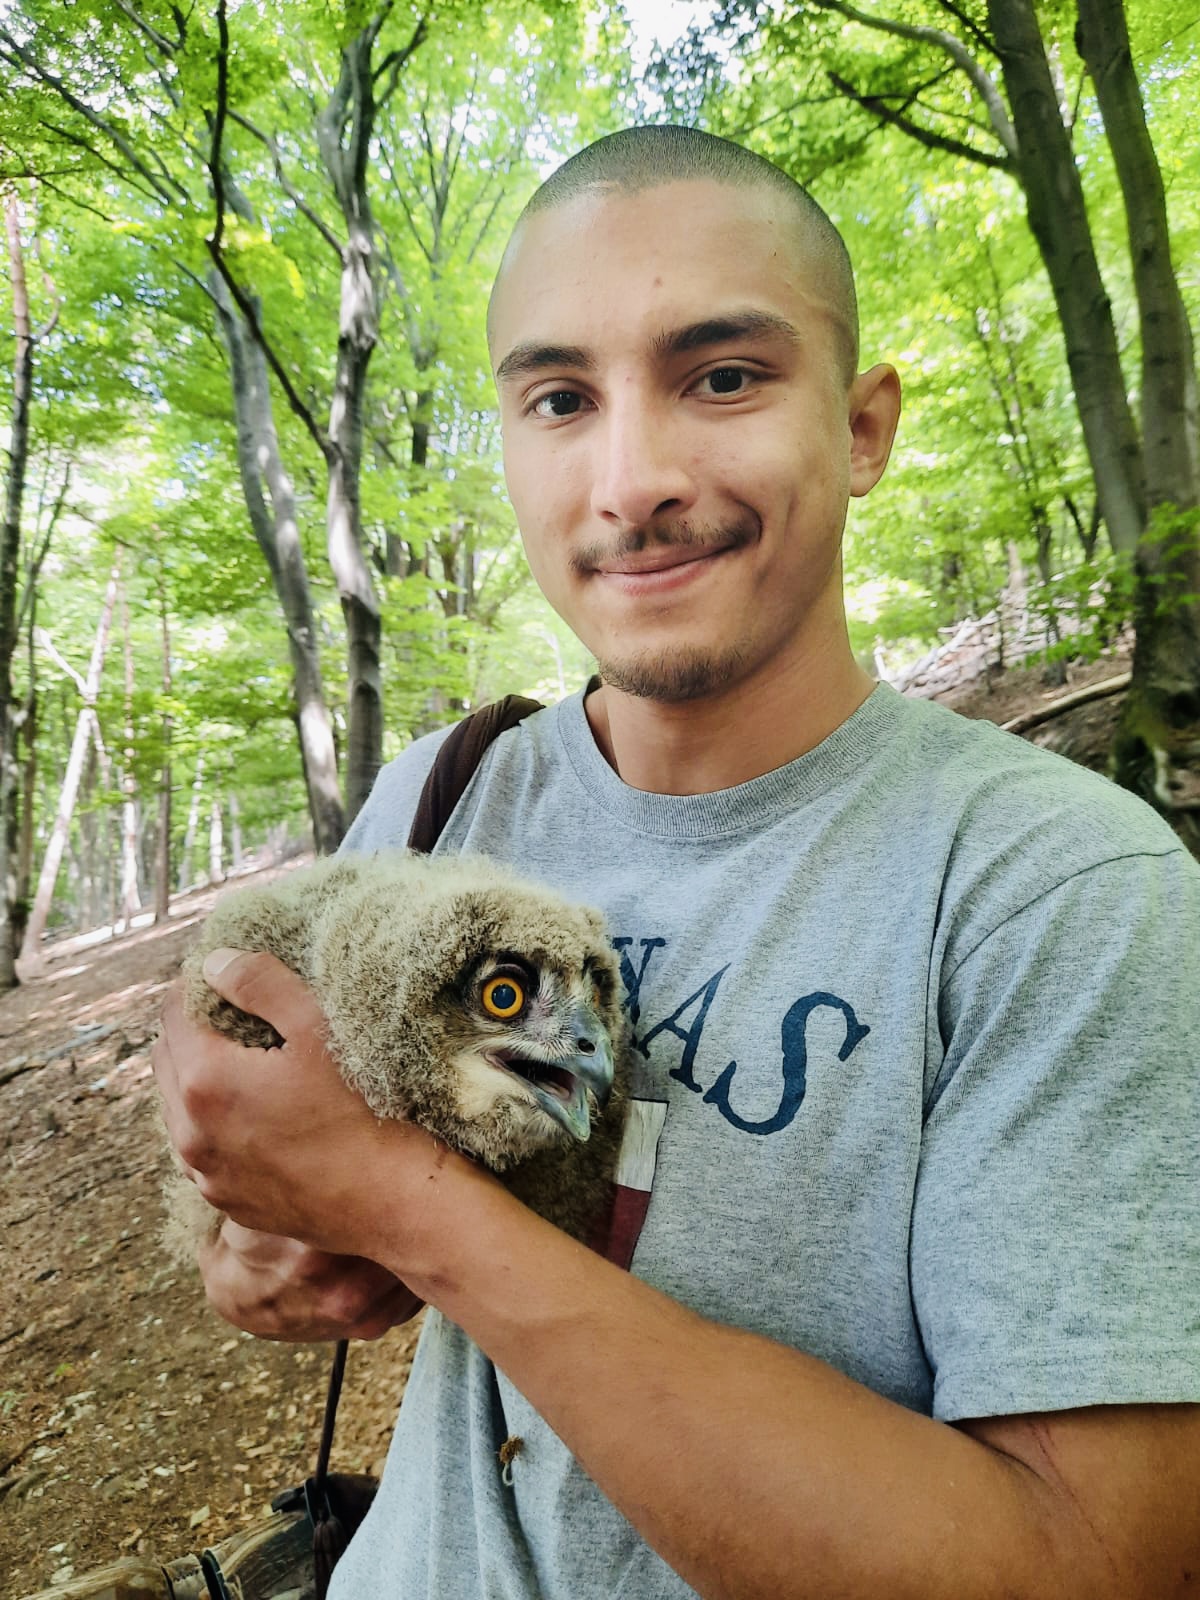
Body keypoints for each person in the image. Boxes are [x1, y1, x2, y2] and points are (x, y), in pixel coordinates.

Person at [154, 126, 1200, 1598]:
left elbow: (1090, 1561)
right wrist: (269, 1245)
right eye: (561, 399)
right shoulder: (439, 805)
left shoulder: (1059, 893)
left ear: (863, 428)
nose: (632, 480)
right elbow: (255, 1234)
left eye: (723, 376)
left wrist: (409, 1211)